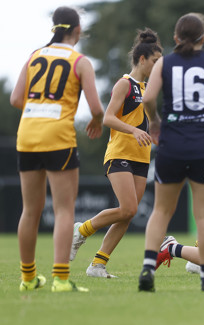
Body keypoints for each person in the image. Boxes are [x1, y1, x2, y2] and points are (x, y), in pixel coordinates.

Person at [137, 12, 204, 292]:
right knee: (203, 215)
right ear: (203, 38)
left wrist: (154, 122)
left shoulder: (164, 63)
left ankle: (148, 267)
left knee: (161, 210)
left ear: (175, 38)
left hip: (171, 144)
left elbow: (149, 98)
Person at [10, 6, 104, 292]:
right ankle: (60, 279)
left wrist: (39, 109)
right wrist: (96, 121)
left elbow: (16, 98)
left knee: (30, 210)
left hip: (27, 135)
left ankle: (28, 278)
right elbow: (97, 107)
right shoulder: (80, 61)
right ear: (77, 31)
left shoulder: (34, 56)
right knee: (64, 210)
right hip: (58, 137)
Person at [68, 28, 163, 278]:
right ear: (142, 60)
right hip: (119, 153)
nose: (158, 67)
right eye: (155, 62)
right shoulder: (125, 84)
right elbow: (108, 118)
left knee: (128, 214)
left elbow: (150, 122)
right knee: (129, 208)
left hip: (141, 158)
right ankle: (82, 230)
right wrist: (133, 131)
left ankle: (98, 264)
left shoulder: (149, 88)